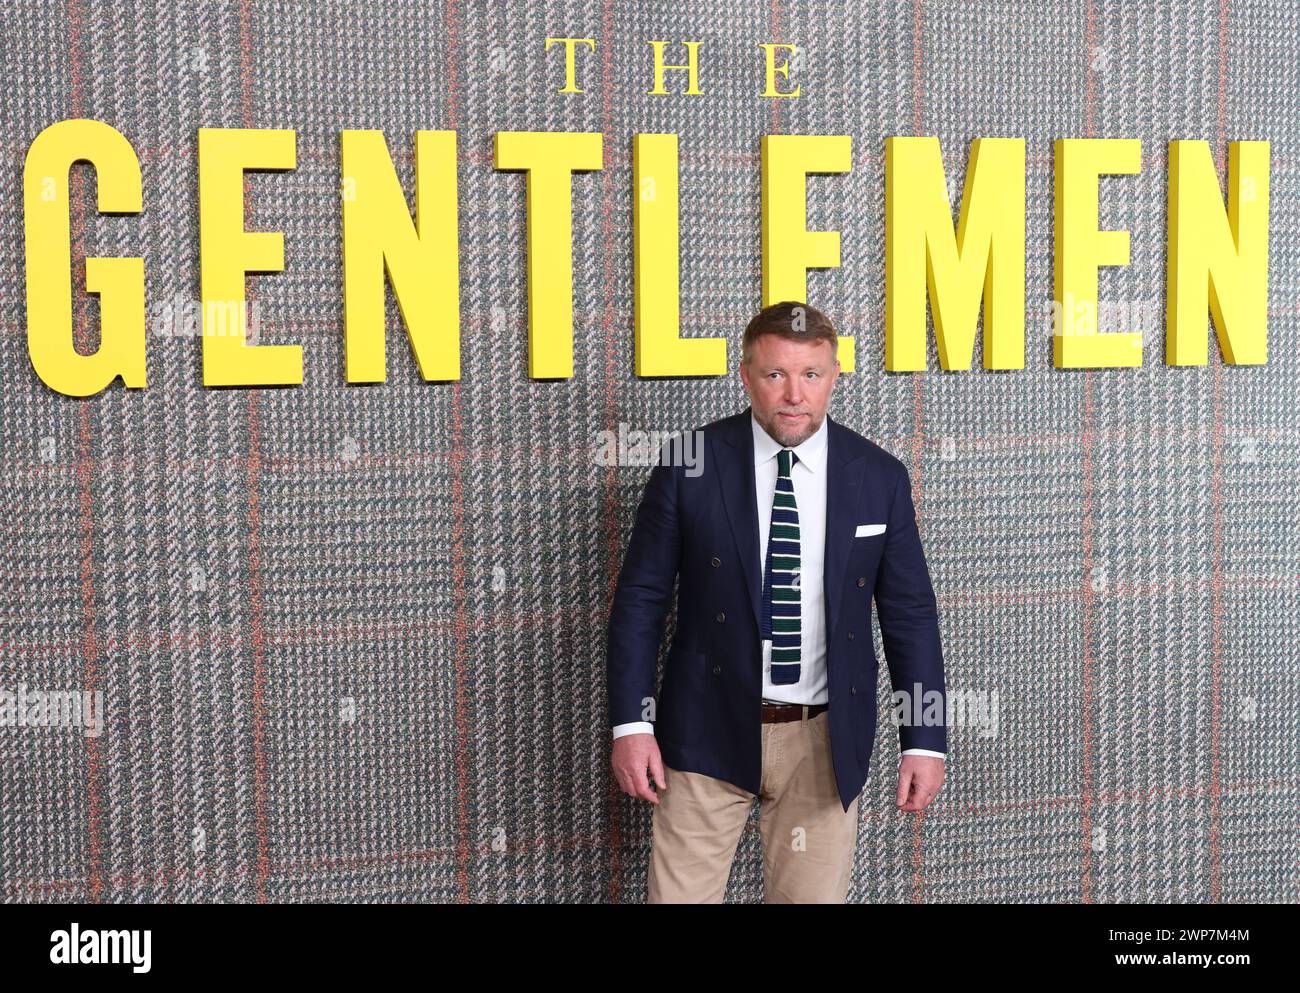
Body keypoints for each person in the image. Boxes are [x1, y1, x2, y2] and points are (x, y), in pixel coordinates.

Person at [606, 300, 947, 903]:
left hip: (823, 740)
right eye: (775, 375)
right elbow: (641, 599)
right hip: (705, 729)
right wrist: (632, 723)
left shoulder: (879, 477)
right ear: (746, 376)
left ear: (834, 376)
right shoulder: (691, 465)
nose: (794, 393)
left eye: (810, 375)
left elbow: (909, 614)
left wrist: (923, 738)